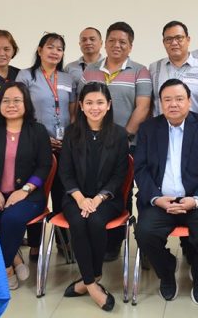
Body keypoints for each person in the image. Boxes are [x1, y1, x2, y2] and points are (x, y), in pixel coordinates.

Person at [134, 79, 198, 305]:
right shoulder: (148, 129)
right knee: (144, 233)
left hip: (196, 200)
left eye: (179, 99)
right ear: (160, 103)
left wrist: (197, 199)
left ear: (189, 101)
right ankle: (166, 271)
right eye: (167, 100)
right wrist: (156, 198)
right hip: (161, 200)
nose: (173, 104)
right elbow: (141, 169)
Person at [80, 21, 152, 260]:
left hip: (127, 144)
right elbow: (84, 104)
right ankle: (92, 236)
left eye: (123, 42)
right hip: (90, 144)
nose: (117, 45)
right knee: (91, 186)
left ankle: (115, 242)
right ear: (105, 43)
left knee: (122, 189)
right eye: (112, 40)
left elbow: (142, 108)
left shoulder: (140, 71)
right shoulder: (90, 70)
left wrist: (121, 138)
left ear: (130, 46)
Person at [0, 81, 53, 290]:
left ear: (26, 103)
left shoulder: (37, 131)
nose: (11, 104)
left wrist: (25, 190)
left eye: (17, 100)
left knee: (11, 218)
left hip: (29, 195)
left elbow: (44, 166)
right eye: (6, 100)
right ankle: (11, 263)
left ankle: (4, 265)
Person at [58, 83, 129, 311]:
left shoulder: (119, 134)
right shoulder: (72, 132)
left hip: (108, 198)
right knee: (78, 222)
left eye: (100, 102)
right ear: (81, 105)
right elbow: (65, 172)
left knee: (96, 220)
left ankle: (87, 279)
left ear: (108, 105)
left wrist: (97, 199)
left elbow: (119, 174)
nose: (94, 107)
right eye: (89, 103)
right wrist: (80, 199)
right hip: (75, 197)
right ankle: (92, 283)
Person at [16, 32, 77, 260]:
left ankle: (65, 242)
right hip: (35, 144)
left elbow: (72, 113)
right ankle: (35, 243)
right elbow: (20, 110)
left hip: (64, 145)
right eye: (50, 47)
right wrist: (43, 137)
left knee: (63, 192)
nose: (54, 52)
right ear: (40, 50)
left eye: (59, 49)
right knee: (37, 192)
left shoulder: (67, 78)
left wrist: (68, 138)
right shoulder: (26, 76)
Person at [149, 21, 198, 116]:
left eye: (179, 38)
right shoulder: (154, 68)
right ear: (164, 42)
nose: (174, 43)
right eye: (169, 39)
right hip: (161, 128)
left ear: (188, 40)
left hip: (196, 128)